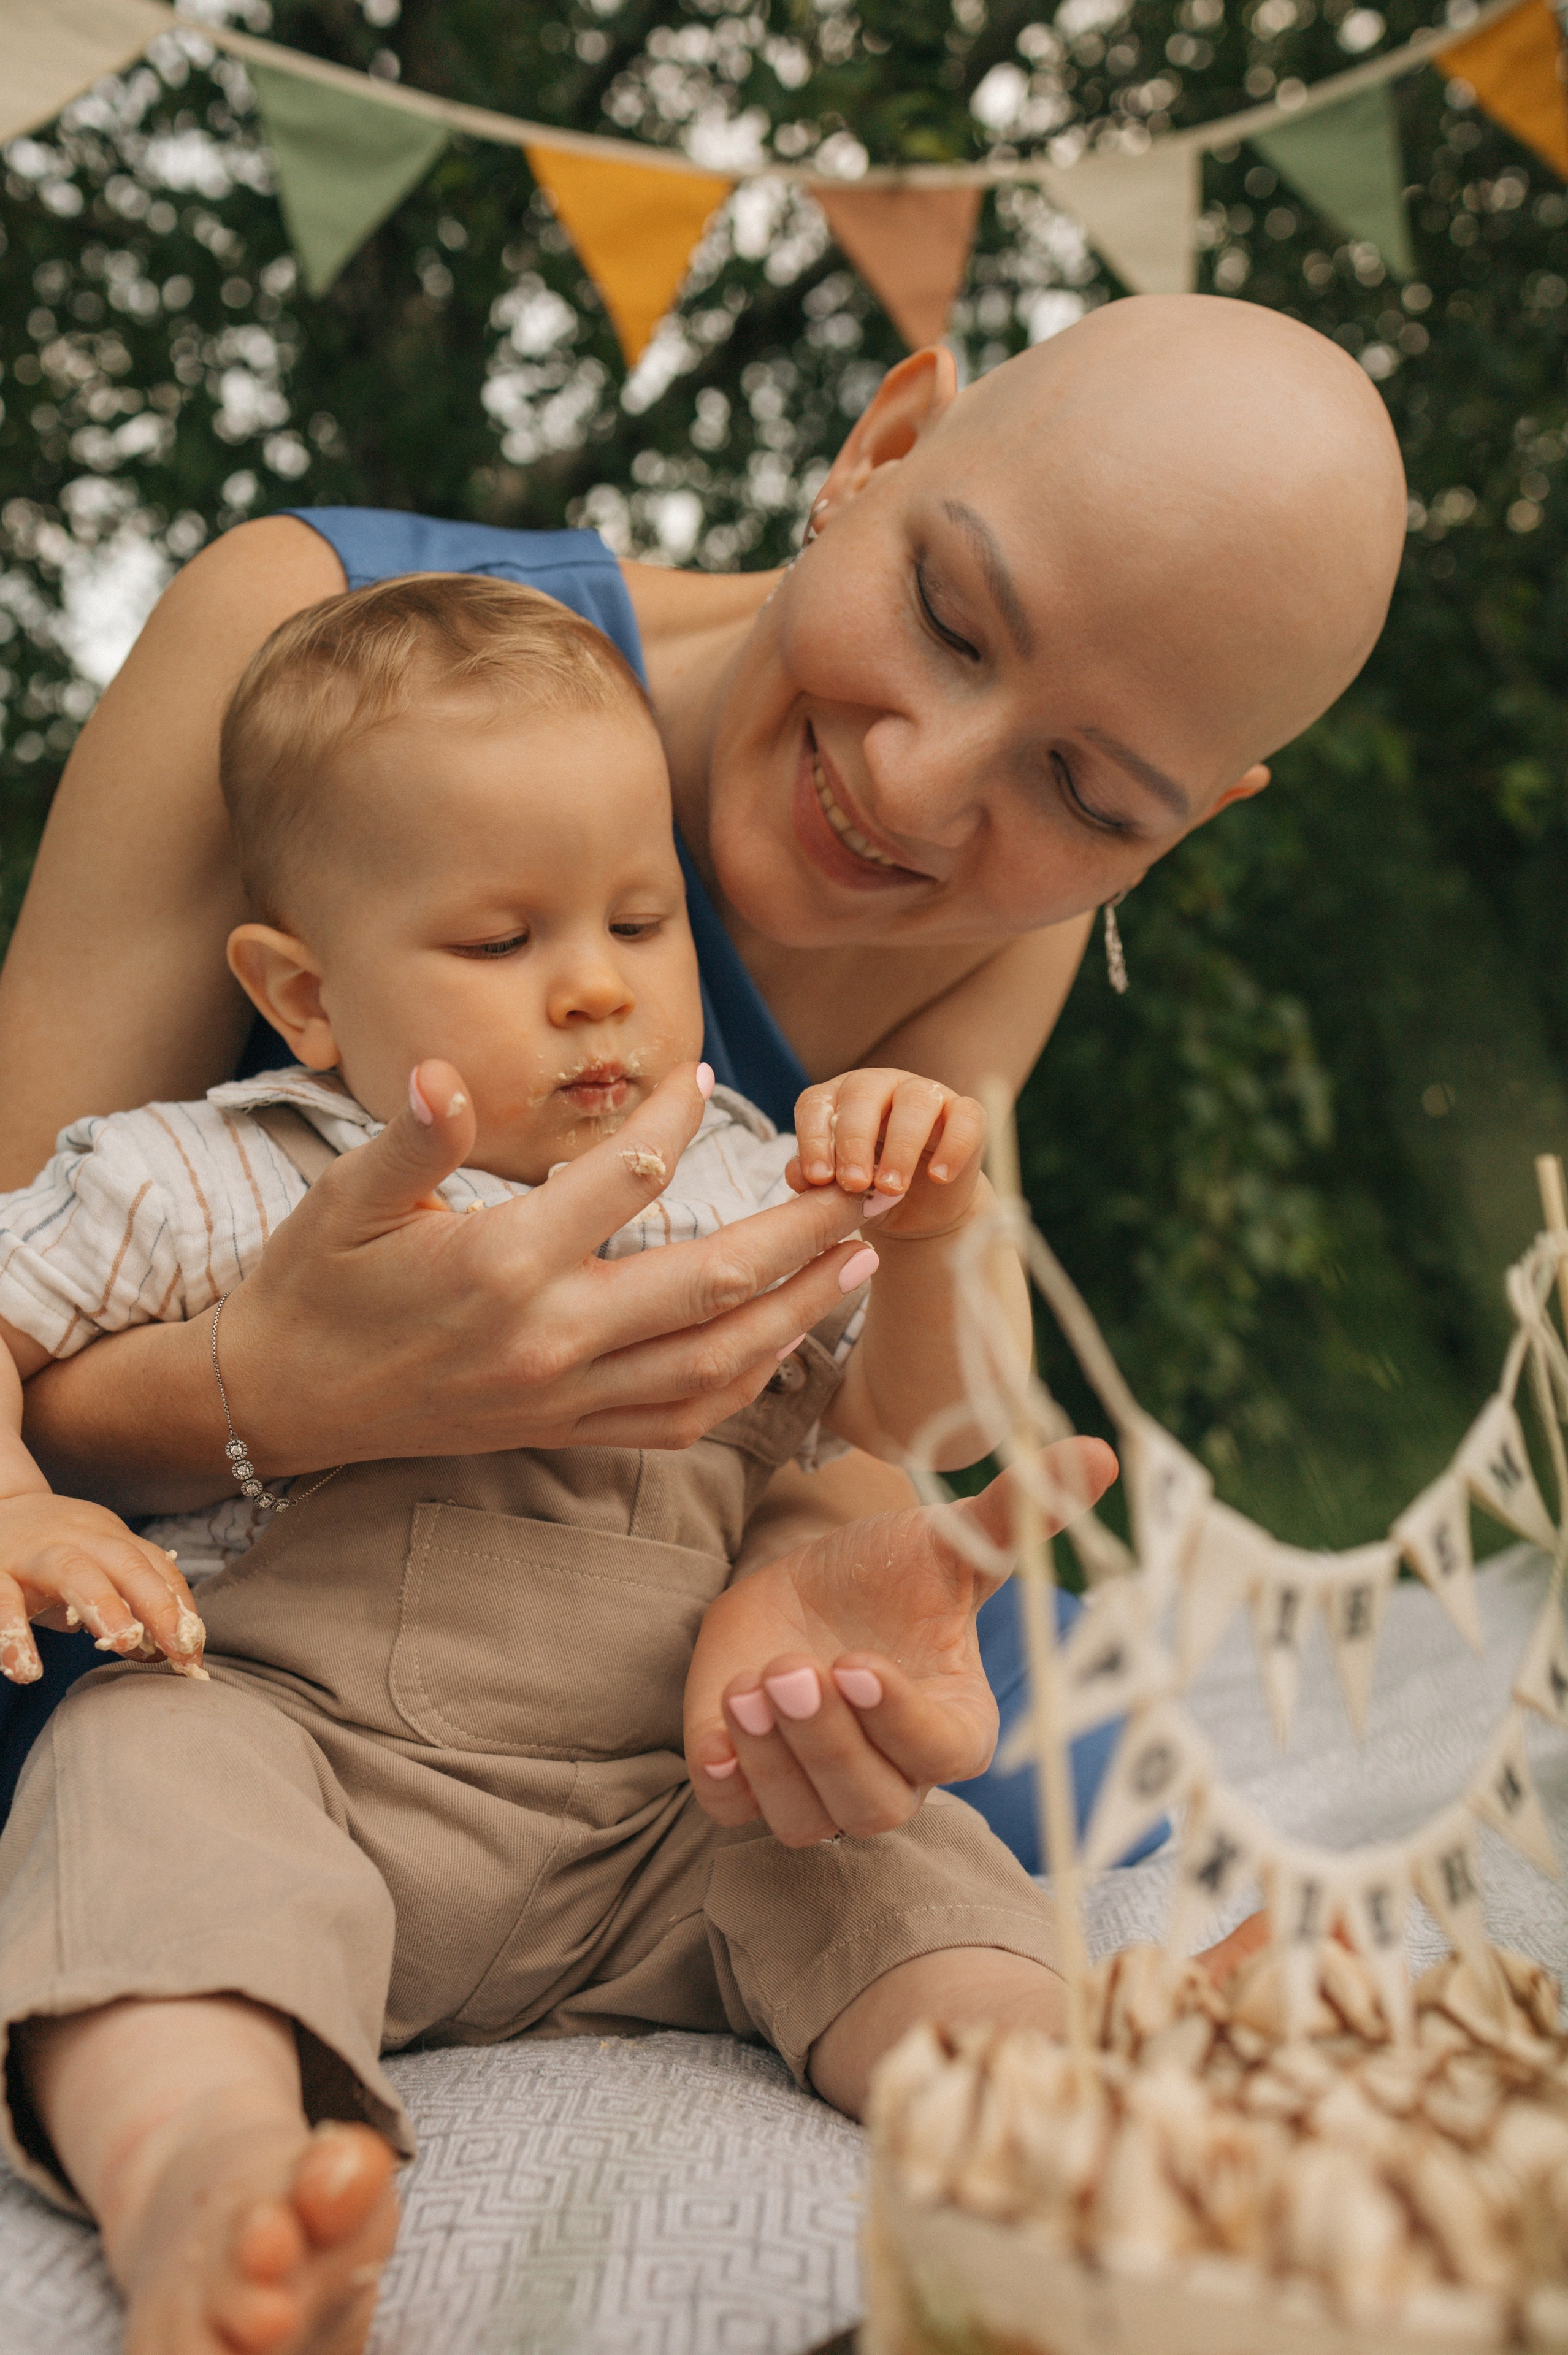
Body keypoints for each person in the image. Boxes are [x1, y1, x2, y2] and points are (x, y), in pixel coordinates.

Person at [0, 293, 1410, 1855]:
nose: (917, 789)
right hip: (200, 1583)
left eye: (1084, 789)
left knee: (1059, 1751)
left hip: (617, 1599)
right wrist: (271, 1395)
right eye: (947, 620)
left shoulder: (1015, 923)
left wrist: (797, 1587)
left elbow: (865, 1428)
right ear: (876, 451)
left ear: (1188, 822)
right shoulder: (305, 635)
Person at [0, 573, 1118, 2355]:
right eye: (501, 944)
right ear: (304, 997)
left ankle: (1064, 2103)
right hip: (316, 1774)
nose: (596, 988)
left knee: (882, 1847)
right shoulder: (225, 1173)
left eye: (640, 919)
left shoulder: (748, 1178)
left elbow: (882, 1431)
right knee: (137, 1782)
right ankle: (216, 2184)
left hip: (668, 1811)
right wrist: (21, 1500)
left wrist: (918, 1240)